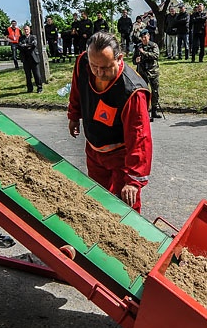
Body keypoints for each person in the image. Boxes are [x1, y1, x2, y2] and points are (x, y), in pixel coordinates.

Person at [67, 31, 152, 212]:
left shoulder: (132, 92)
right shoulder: (83, 63)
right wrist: (74, 115)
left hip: (120, 156)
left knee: (125, 205)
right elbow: (77, 88)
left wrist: (133, 180)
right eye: (94, 66)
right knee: (98, 200)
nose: (98, 72)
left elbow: (140, 138)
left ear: (119, 58)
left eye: (105, 68)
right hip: (94, 150)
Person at [133, 29, 161, 120]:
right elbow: (134, 59)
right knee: (144, 93)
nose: (144, 39)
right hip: (142, 73)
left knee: (155, 92)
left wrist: (144, 53)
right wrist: (136, 61)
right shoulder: (139, 47)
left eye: (145, 37)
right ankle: (145, 112)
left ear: (148, 36)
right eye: (142, 38)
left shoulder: (153, 45)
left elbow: (156, 56)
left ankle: (154, 110)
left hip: (153, 72)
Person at [17, 25, 43, 93]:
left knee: (37, 74)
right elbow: (19, 46)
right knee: (28, 75)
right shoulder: (21, 38)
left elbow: (34, 45)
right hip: (26, 59)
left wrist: (25, 45)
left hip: (34, 59)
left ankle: (39, 88)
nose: (26, 31)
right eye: (25, 29)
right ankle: (29, 88)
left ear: (29, 30)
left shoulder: (33, 37)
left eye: (27, 29)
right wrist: (27, 46)